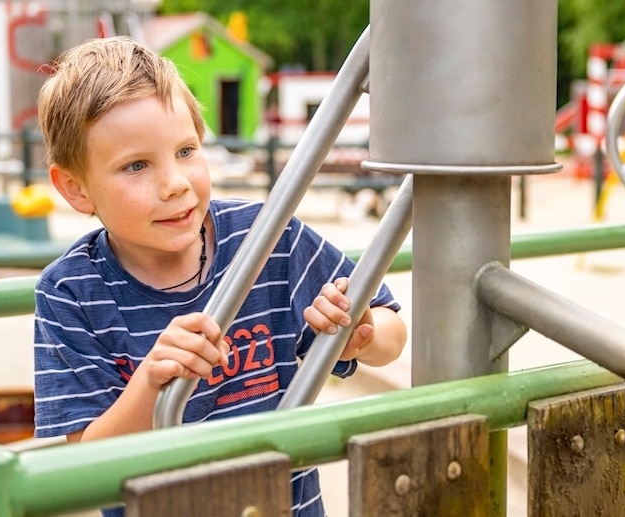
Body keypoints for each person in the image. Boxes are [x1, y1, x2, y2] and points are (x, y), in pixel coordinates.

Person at [32, 36, 407, 517]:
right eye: (137, 166)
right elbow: (87, 461)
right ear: (76, 188)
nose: (175, 184)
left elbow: (391, 331)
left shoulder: (268, 236)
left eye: (186, 151)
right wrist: (150, 382)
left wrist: (360, 335)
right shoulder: (70, 293)